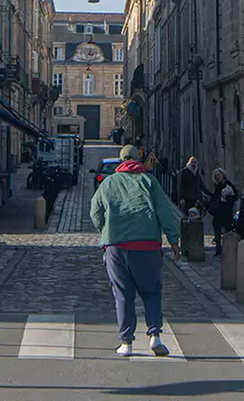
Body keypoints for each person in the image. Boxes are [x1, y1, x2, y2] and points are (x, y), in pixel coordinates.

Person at [90, 142, 181, 357]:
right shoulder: (150, 182)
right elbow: (165, 212)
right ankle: (155, 336)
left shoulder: (109, 183)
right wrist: (174, 241)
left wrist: (105, 232)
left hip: (116, 246)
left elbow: (95, 211)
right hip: (147, 245)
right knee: (152, 292)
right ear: (138, 161)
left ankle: (126, 343)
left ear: (121, 162)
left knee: (122, 294)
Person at [207, 167, 239, 254]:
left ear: (223, 175)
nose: (217, 177)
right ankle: (218, 250)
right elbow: (214, 198)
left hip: (226, 212)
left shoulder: (229, 185)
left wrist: (226, 198)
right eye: (215, 175)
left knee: (226, 232)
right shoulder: (217, 186)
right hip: (218, 212)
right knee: (217, 231)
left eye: (218, 175)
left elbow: (234, 197)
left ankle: (226, 250)